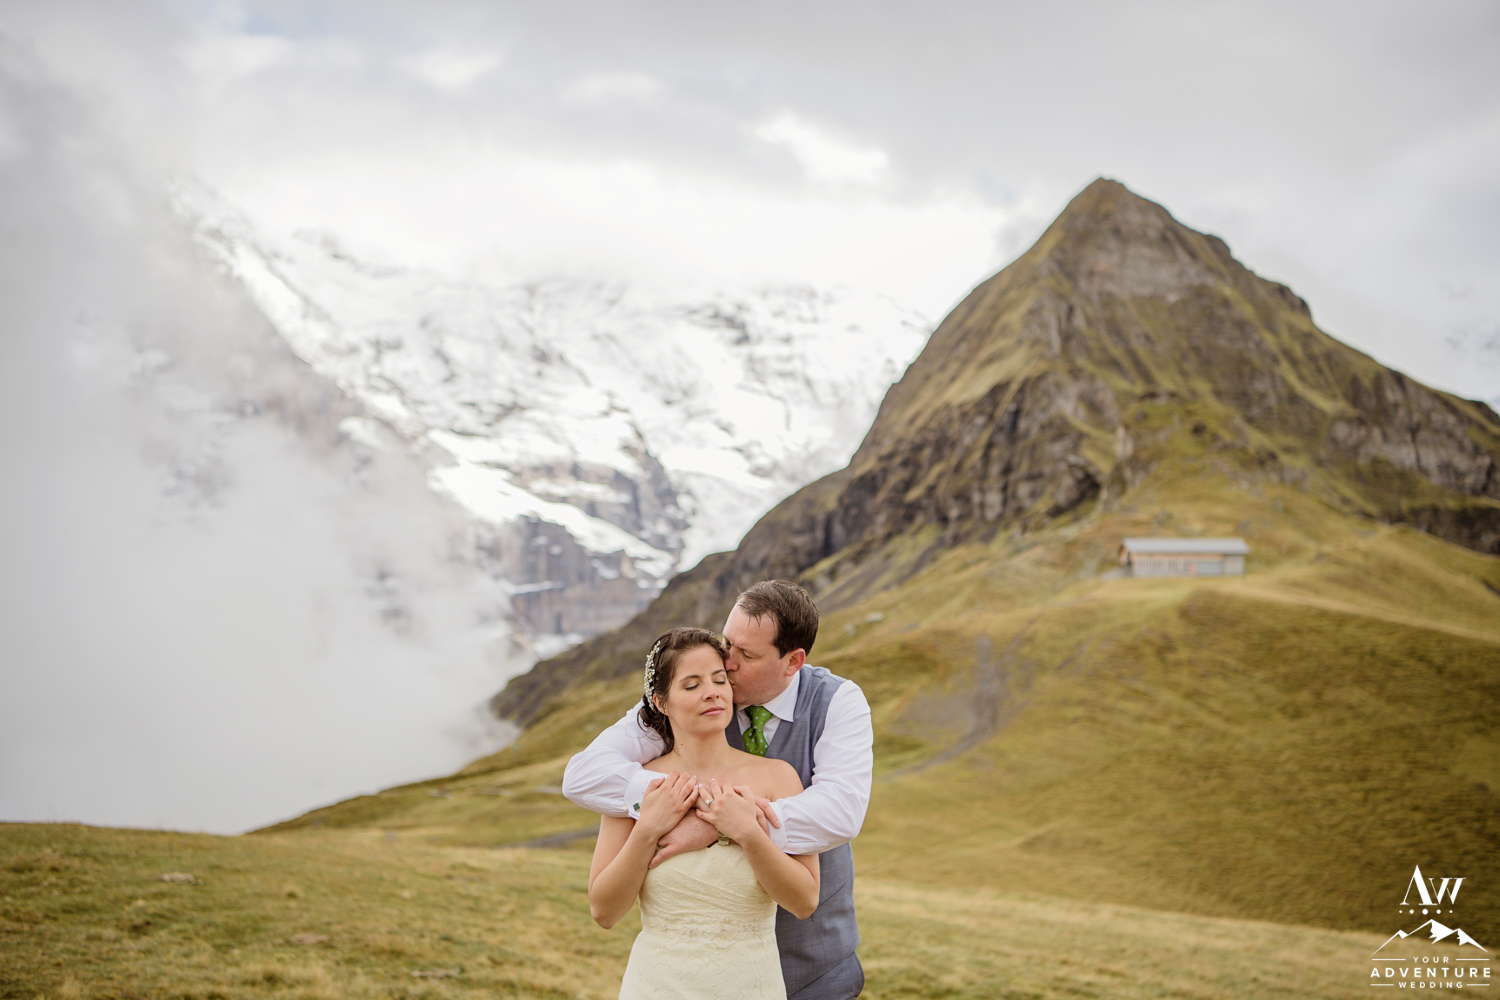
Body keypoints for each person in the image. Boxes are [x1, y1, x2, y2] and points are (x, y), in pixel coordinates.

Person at [566, 581, 874, 1000]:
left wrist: (721, 825)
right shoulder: (681, 716)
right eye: (728, 643)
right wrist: (659, 810)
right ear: (662, 701)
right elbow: (584, 775)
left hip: (812, 966)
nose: (725, 667)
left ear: (793, 661)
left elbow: (841, 814)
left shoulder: (836, 704)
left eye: (745, 656)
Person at [588, 627, 818, 999]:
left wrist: (748, 834)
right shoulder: (635, 785)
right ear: (661, 702)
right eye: (692, 685)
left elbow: (804, 902)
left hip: (751, 984)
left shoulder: (777, 778)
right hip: (657, 985)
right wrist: (647, 829)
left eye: (719, 679)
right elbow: (604, 911)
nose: (712, 691)